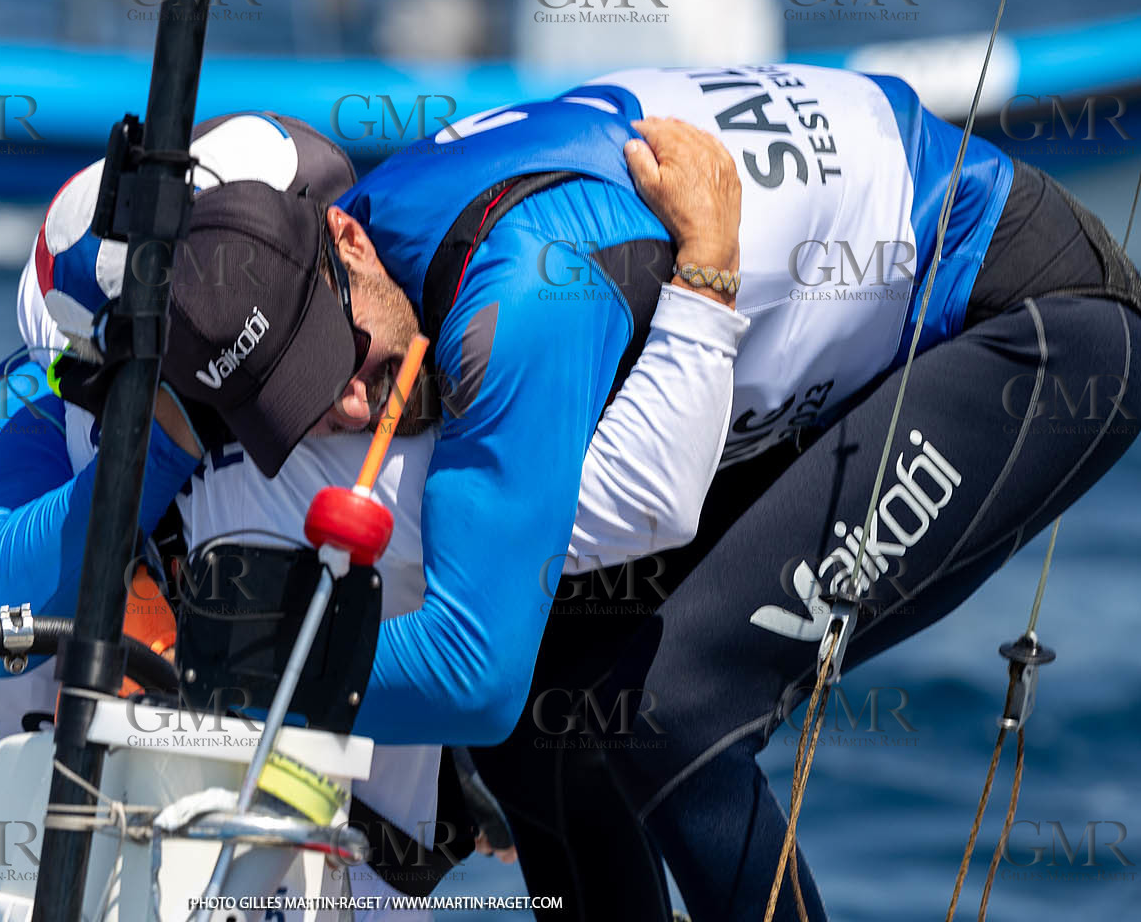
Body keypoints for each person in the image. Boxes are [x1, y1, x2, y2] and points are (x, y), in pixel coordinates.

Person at [132, 64, 1140, 920]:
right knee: (549, 721)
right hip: (818, 347)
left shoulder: (522, 293)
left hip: (1030, 324)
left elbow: (472, 673)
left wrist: (229, 672)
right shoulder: (375, 257)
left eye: (336, 359)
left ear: (349, 243)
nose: (351, 403)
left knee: (673, 708)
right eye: (306, 404)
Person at [0, 109, 747, 915]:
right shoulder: (32, 402)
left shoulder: (334, 408)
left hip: (192, 849)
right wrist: (163, 432)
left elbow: (589, 524)